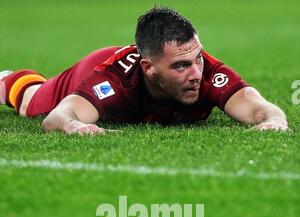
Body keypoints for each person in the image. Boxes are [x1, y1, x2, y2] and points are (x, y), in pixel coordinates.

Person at [0, 6, 288, 135]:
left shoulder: (207, 71)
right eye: (180, 66)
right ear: (148, 68)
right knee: (29, 101)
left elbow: (261, 108)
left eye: (197, 58)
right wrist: (75, 125)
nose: (195, 73)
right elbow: (57, 118)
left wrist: (274, 121)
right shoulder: (111, 80)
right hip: (88, 69)